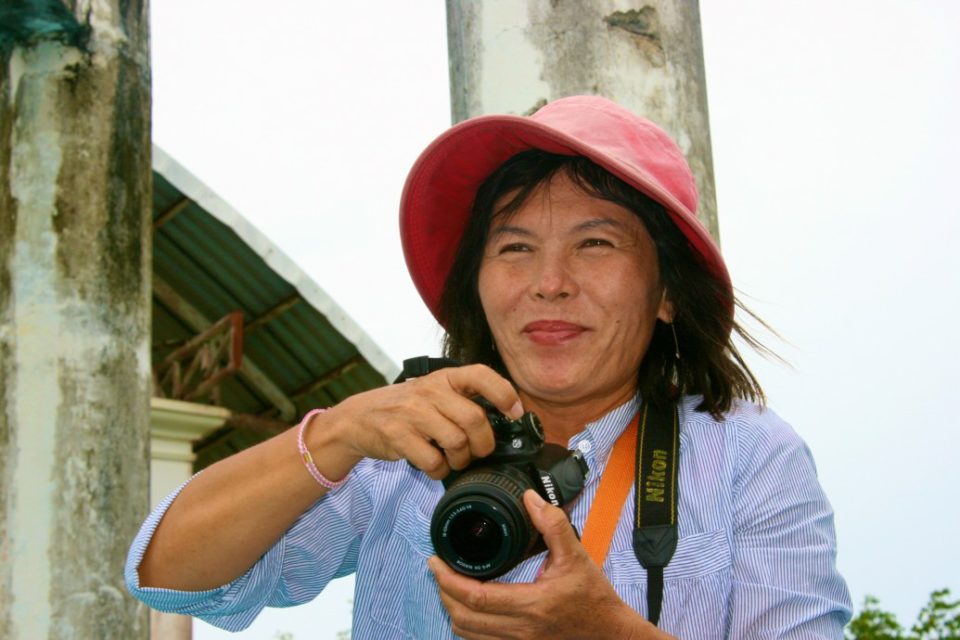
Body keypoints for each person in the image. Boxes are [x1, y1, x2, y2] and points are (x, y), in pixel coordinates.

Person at [126, 95, 852, 638]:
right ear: (477, 282)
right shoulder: (409, 446)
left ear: (666, 292)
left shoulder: (750, 458)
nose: (550, 282)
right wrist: (336, 434)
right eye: (513, 248)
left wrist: (608, 632)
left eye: (595, 244)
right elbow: (168, 576)